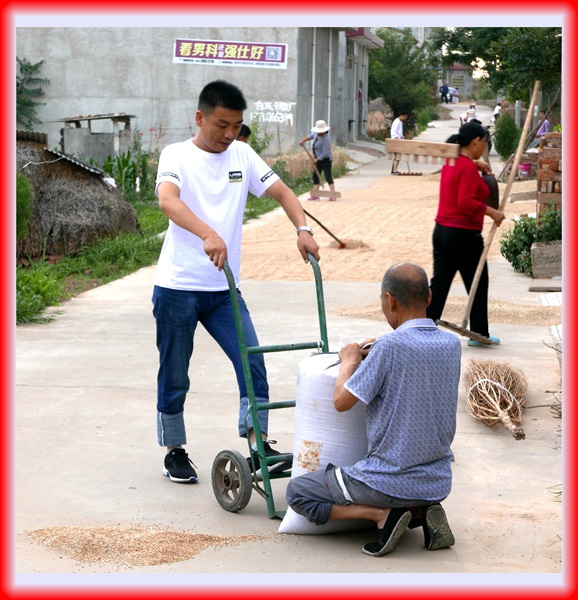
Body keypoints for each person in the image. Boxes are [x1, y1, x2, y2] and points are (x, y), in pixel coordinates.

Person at [153, 80, 320, 483]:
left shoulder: (242, 155)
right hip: (178, 287)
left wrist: (302, 228)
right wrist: (208, 233)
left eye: (236, 126)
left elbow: (283, 193)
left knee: (252, 361)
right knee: (175, 372)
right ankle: (175, 450)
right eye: (222, 125)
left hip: (224, 290)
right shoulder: (176, 154)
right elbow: (168, 200)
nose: (229, 134)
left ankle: (257, 440)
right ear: (200, 117)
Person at [286, 262, 461, 557]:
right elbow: (411, 365)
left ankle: (382, 515)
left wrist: (350, 361)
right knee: (414, 485)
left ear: (390, 300)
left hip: (388, 479)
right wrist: (379, 350)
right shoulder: (451, 344)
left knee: (298, 493)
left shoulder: (389, 348)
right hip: (438, 479)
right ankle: (423, 508)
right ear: (429, 298)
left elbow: (341, 402)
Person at [425, 121, 506, 346]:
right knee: (478, 282)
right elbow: (466, 202)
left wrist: (475, 163)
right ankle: (479, 333)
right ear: (476, 141)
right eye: (485, 143)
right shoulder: (467, 167)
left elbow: (463, 178)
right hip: (464, 235)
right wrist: (492, 213)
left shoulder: (451, 161)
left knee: (440, 283)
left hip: (442, 232)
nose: (485, 147)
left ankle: (423, 328)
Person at [300, 120, 337, 201]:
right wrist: (303, 141)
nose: (319, 132)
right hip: (317, 159)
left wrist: (317, 159)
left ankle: (333, 194)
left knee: (328, 176)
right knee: (315, 176)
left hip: (326, 160)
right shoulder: (316, 135)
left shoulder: (326, 139)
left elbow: (325, 152)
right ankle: (315, 195)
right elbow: (311, 136)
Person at [390, 110, 409, 175]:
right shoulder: (396, 121)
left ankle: (394, 169)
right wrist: (397, 138)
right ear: (402, 115)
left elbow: (399, 132)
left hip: (399, 140)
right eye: (405, 117)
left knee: (398, 155)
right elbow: (394, 132)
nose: (405, 118)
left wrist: (401, 136)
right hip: (396, 140)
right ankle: (394, 170)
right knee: (397, 155)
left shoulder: (400, 122)